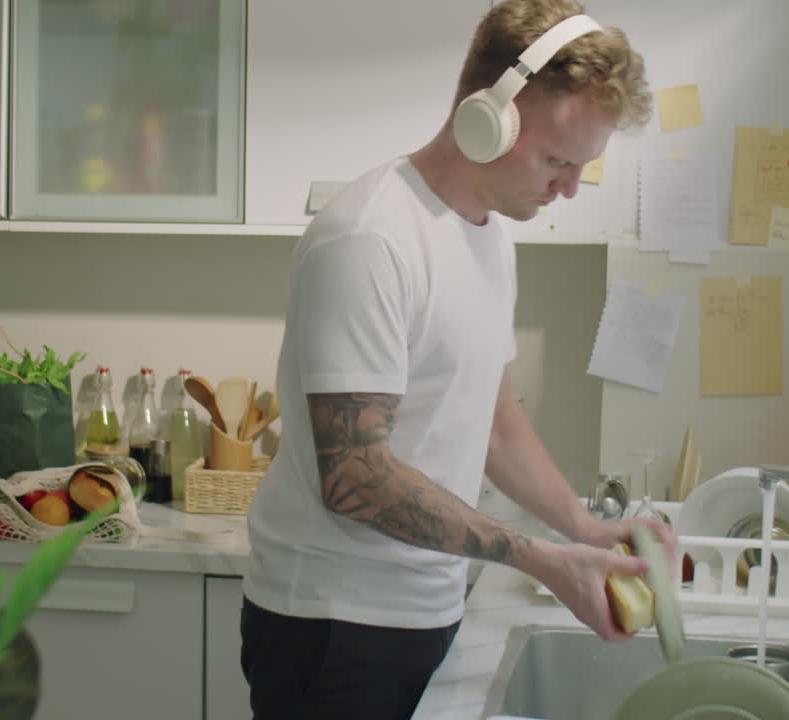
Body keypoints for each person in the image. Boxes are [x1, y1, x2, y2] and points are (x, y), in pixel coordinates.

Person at [241, 1, 672, 717]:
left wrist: (584, 527)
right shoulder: (370, 239)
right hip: (333, 624)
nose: (567, 186)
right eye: (558, 160)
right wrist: (539, 557)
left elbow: (494, 418)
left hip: (422, 609)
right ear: (488, 114)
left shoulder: (488, 234)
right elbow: (355, 477)